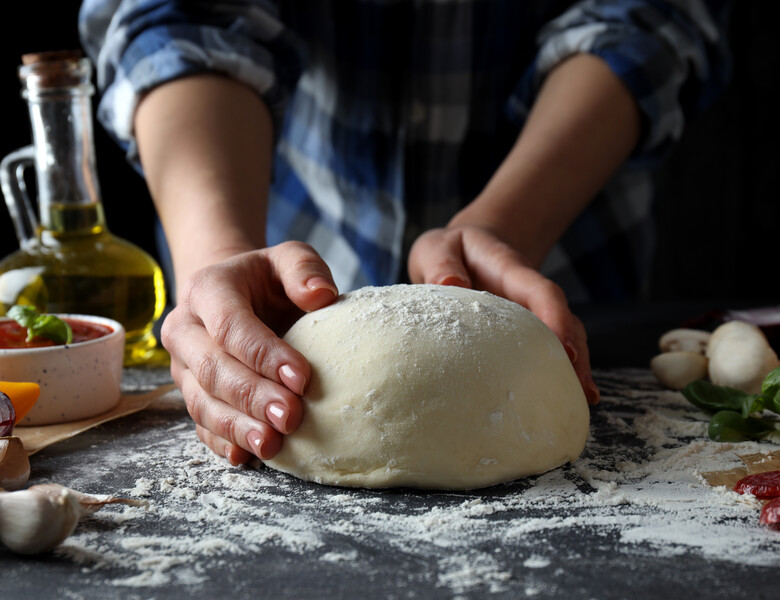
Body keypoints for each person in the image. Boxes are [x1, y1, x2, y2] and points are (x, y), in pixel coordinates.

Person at [79, 0, 731, 466]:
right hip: (289, 282)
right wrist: (221, 263)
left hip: (563, 262)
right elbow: (181, 16)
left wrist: (499, 231)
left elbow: (647, 18)